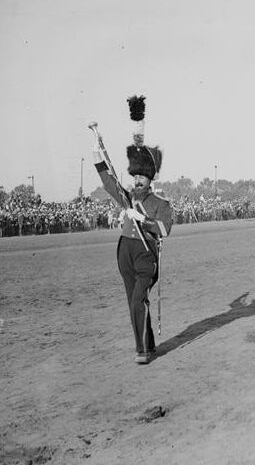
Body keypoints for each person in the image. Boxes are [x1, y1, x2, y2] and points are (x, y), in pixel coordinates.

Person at [91, 95, 173, 365]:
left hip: (146, 255)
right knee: (134, 303)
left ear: (150, 179)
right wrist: (96, 147)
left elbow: (164, 229)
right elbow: (107, 180)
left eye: (142, 177)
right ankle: (148, 347)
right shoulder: (126, 196)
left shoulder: (161, 203)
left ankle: (142, 351)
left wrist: (142, 217)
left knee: (139, 301)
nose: (137, 180)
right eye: (135, 176)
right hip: (124, 251)